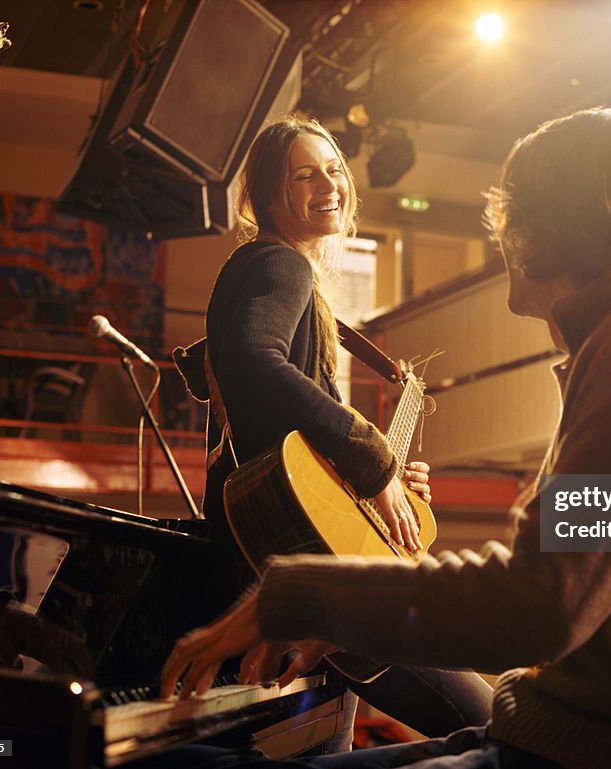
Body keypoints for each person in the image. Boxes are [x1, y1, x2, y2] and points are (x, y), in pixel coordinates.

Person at [159, 107, 611, 769]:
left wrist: (314, 595)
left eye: (510, 215)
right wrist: (343, 607)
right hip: (563, 738)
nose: (501, 236)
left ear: (547, 228)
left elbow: (541, 601)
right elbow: (559, 590)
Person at [171, 115, 492, 745]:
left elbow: (289, 422)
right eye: (304, 174)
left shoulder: (281, 272)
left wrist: (385, 480)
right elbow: (253, 358)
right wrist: (373, 464)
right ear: (268, 195)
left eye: (335, 169)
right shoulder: (278, 263)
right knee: (495, 726)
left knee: (326, 745)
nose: (330, 184)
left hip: (289, 560)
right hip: (312, 577)